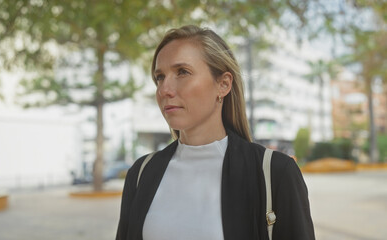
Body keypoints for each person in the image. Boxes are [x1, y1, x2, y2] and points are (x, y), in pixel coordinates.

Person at [116, 25, 315, 240]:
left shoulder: (275, 172)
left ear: (223, 84)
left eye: (182, 72)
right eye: (160, 77)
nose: (164, 90)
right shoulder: (141, 173)